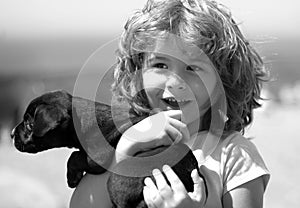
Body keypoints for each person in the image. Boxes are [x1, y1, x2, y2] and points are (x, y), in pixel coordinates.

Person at [70, 0, 270, 207]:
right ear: (138, 73)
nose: (175, 82)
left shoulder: (234, 154)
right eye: (160, 65)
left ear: (222, 81)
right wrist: (122, 153)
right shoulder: (122, 138)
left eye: (193, 68)